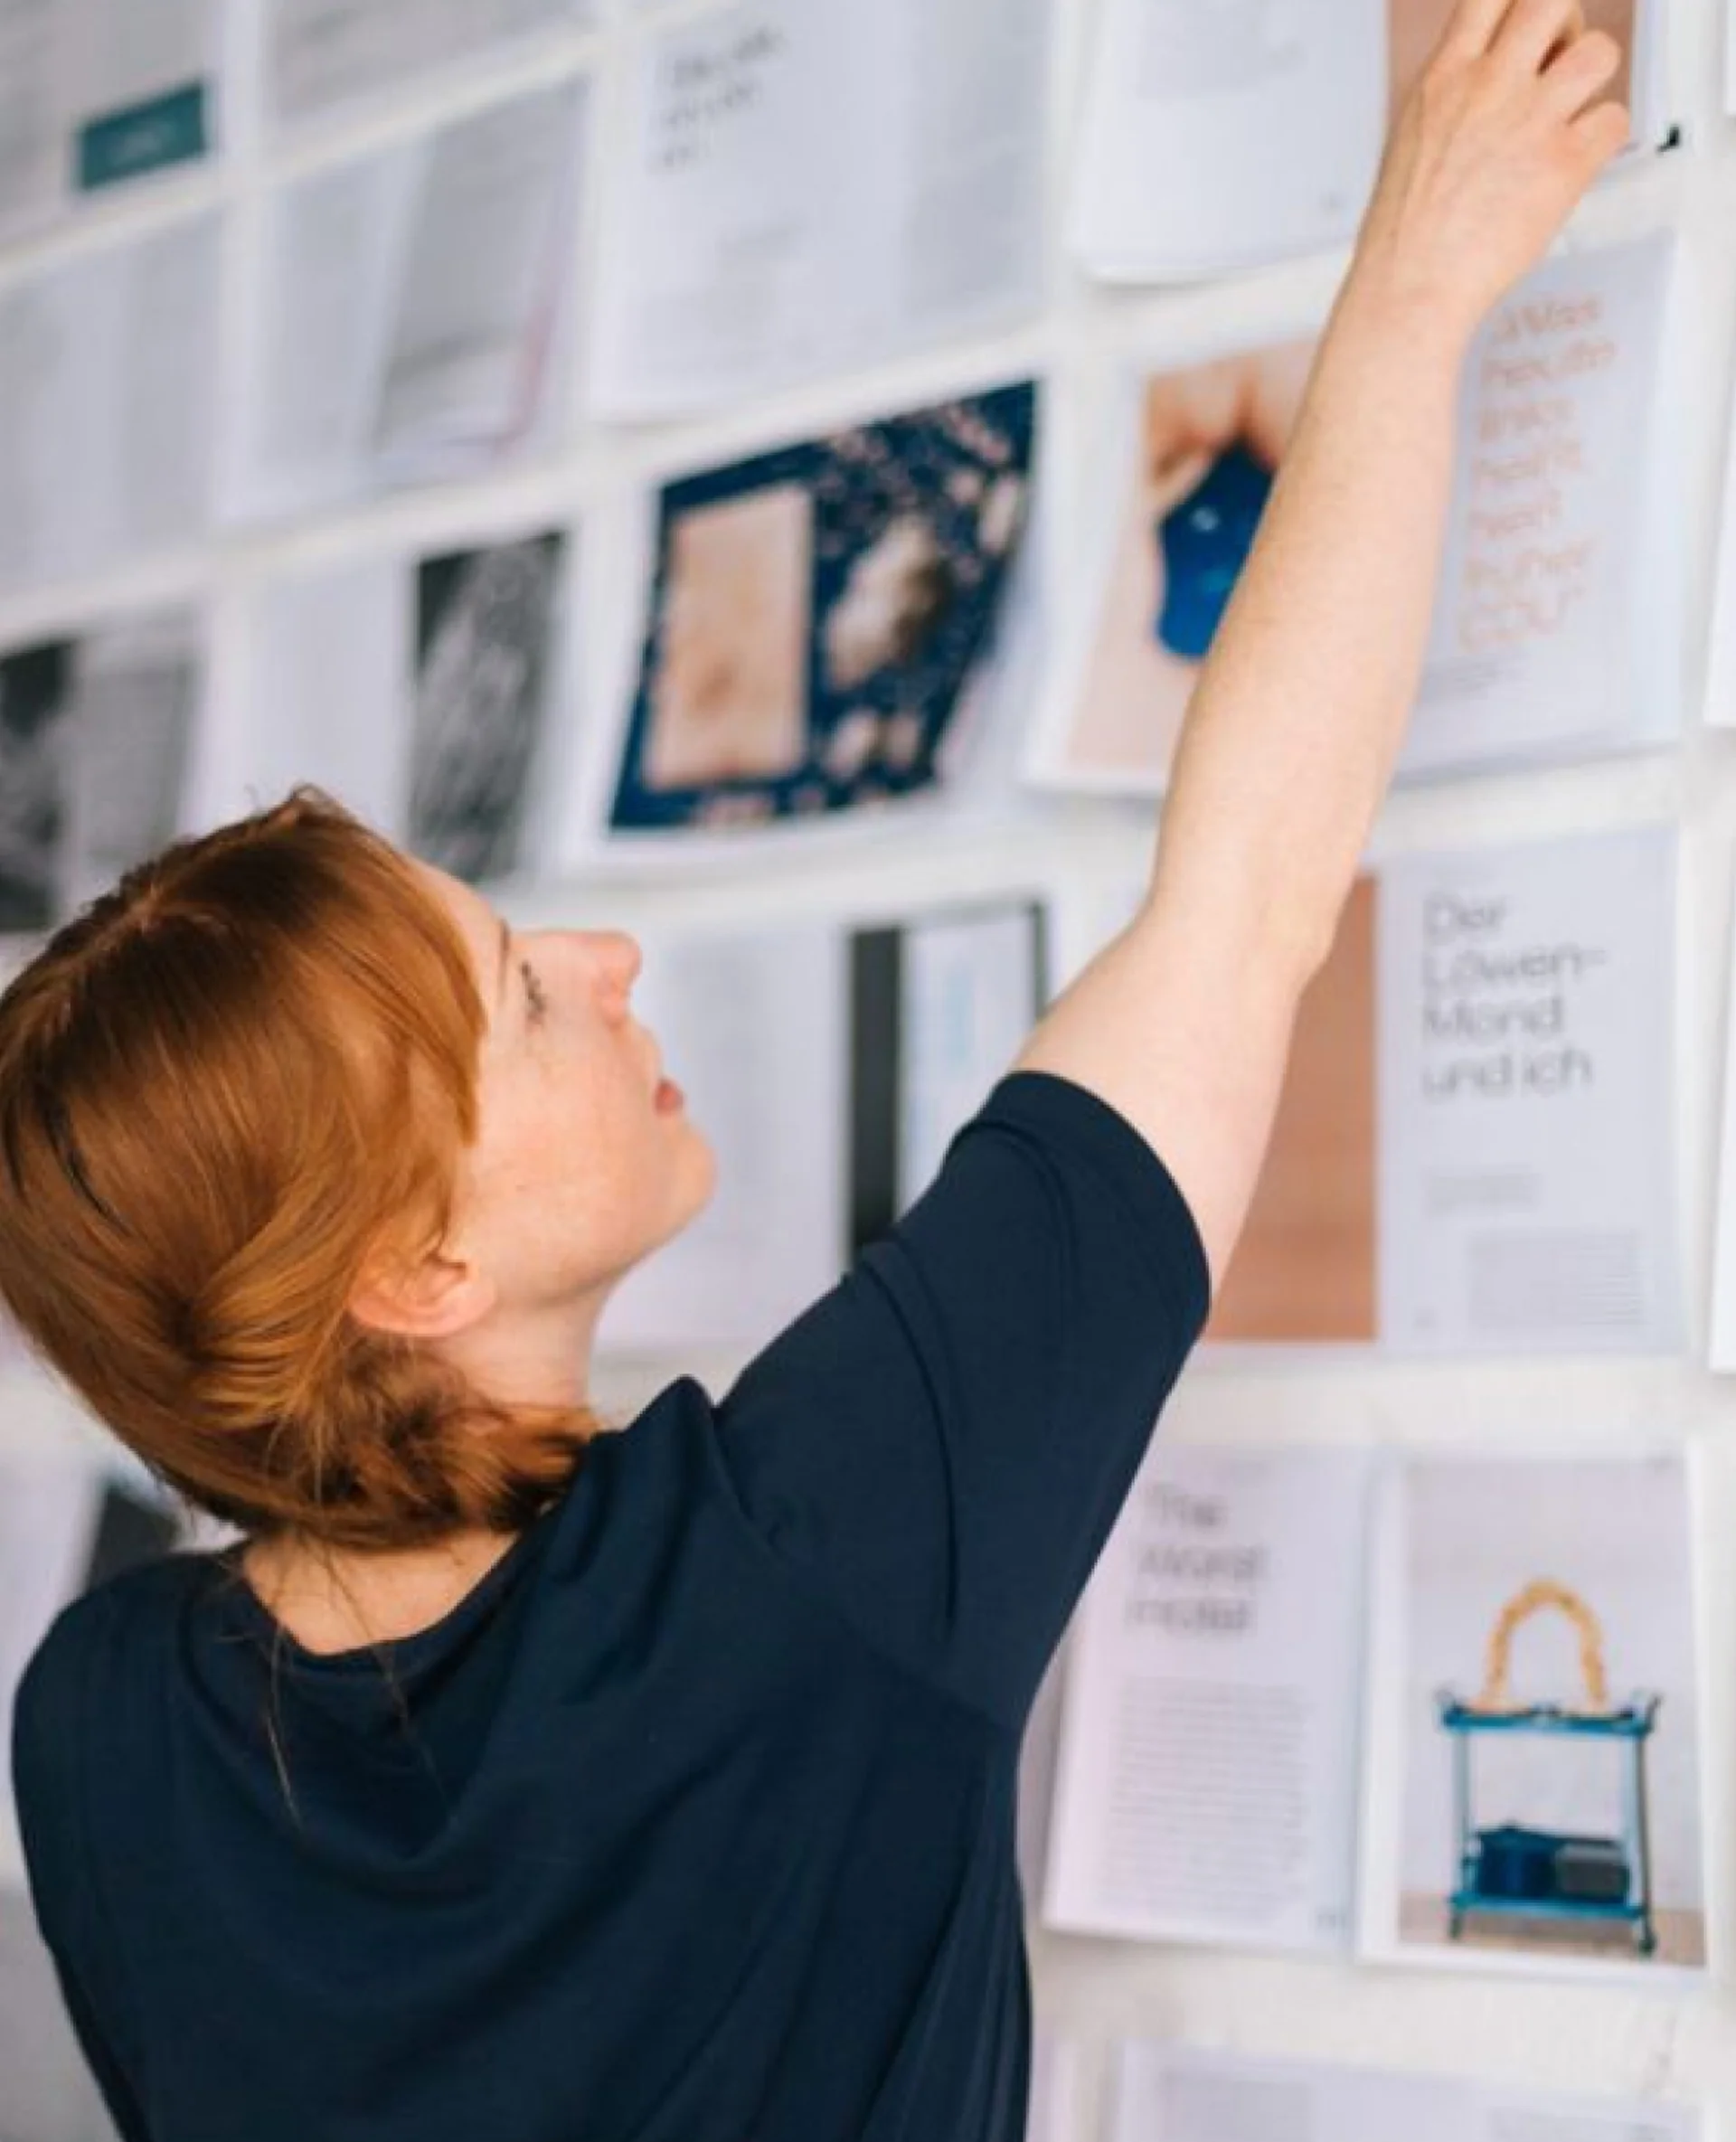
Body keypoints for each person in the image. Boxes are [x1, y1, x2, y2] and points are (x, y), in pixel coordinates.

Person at [3, 7, 1627, 2138]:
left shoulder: (104, 1722)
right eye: (515, 988)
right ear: (408, 1267)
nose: (601, 957)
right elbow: (1241, 909)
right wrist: (1422, 265)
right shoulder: (804, 1567)